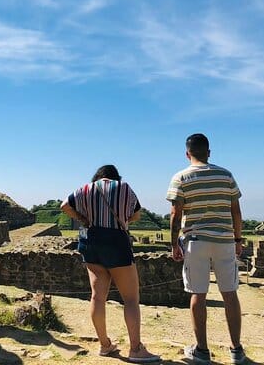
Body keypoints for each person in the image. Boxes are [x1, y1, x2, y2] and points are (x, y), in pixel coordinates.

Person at [60, 165, 161, 363]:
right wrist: (124, 219)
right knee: (130, 299)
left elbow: (65, 206)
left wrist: (82, 218)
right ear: (115, 177)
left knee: (97, 297)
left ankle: (105, 344)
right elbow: (137, 214)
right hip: (116, 242)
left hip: (90, 242)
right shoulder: (124, 187)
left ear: (98, 176)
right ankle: (135, 349)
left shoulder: (85, 188)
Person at [166, 133, 247, 365]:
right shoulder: (226, 175)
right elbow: (236, 212)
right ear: (209, 152)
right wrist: (238, 240)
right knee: (230, 294)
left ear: (187, 153)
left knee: (198, 294)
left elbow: (175, 214)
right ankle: (236, 350)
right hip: (225, 241)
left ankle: (201, 350)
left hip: (196, 241)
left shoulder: (181, 177)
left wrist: (174, 244)